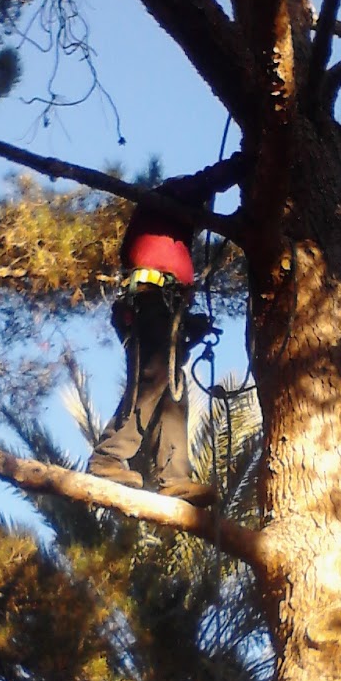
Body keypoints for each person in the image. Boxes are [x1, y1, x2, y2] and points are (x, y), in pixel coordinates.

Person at [89, 181, 217, 505]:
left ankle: (174, 477)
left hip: (162, 305)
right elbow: (204, 179)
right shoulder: (163, 204)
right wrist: (243, 164)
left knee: (173, 387)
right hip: (148, 301)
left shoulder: (176, 240)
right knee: (156, 375)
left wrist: (190, 324)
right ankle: (108, 456)